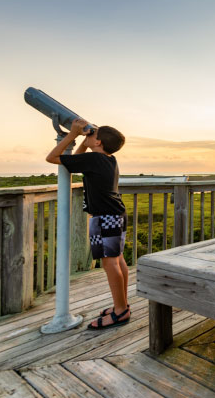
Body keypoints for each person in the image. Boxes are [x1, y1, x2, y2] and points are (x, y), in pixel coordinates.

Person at [45, 119, 130, 330]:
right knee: (118, 261)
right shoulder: (108, 159)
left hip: (104, 217)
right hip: (116, 214)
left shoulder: (94, 159)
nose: (89, 135)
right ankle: (122, 304)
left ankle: (120, 312)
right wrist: (85, 138)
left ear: (98, 142)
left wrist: (73, 135)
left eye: (93, 134)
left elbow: (52, 158)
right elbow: (76, 160)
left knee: (110, 263)